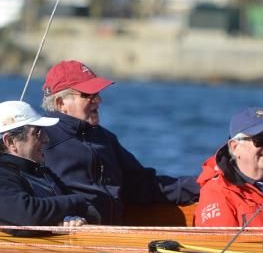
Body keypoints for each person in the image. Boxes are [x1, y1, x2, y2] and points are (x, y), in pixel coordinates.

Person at [40, 60, 199, 224]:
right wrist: (60, 218)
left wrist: (200, 185)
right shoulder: (40, 139)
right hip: (68, 239)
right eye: (87, 95)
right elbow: (26, 194)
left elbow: (143, 185)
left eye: (97, 94)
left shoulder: (105, 138)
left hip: (110, 236)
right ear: (61, 104)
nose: (98, 100)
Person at [0, 100, 101, 230]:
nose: (46, 139)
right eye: (37, 133)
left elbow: (91, 211)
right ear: (10, 141)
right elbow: (27, 215)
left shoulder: (39, 172)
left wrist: (74, 218)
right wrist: (76, 203)